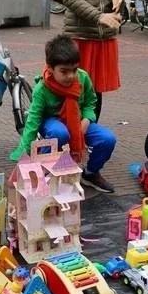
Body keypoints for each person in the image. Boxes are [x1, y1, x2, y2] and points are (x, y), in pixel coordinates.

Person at [10, 35, 117, 193]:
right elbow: (33, 120)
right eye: (64, 71)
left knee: (107, 139)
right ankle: (40, 170)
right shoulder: (42, 89)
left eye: (74, 70)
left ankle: (90, 174)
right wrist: (23, 154)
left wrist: (87, 119)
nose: (71, 76)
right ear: (50, 69)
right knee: (59, 133)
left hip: (78, 120)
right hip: (51, 122)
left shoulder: (83, 78)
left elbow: (90, 102)